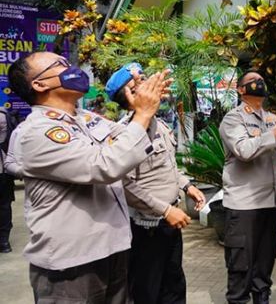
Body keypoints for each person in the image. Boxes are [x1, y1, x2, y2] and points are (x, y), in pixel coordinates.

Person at [7, 51, 169, 302]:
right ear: (39, 84)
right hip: (71, 263)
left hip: (113, 249)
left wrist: (144, 106)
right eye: (59, 65)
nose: (70, 68)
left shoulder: (87, 118)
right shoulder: (36, 132)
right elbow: (105, 166)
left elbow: (132, 144)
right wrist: (142, 114)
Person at [105, 62, 207, 303]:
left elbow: (168, 164)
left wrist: (186, 185)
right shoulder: (122, 133)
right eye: (141, 83)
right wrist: (165, 210)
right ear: (129, 95)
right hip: (146, 227)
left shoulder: (159, 124)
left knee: (173, 285)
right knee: (146, 290)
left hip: (170, 222)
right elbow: (124, 185)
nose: (151, 85)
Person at [219, 70, 276, 304]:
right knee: (241, 263)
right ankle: (238, 299)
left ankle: (262, 296)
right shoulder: (233, 119)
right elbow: (244, 151)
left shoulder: (272, 117)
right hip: (244, 203)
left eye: (262, 80)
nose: (260, 84)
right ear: (241, 90)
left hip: (271, 202)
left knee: (265, 261)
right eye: (253, 81)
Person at [0, 107, 19, 253]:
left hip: (3, 167)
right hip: (3, 169)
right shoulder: (4, 115)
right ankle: (4, 241)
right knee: (4, 204)